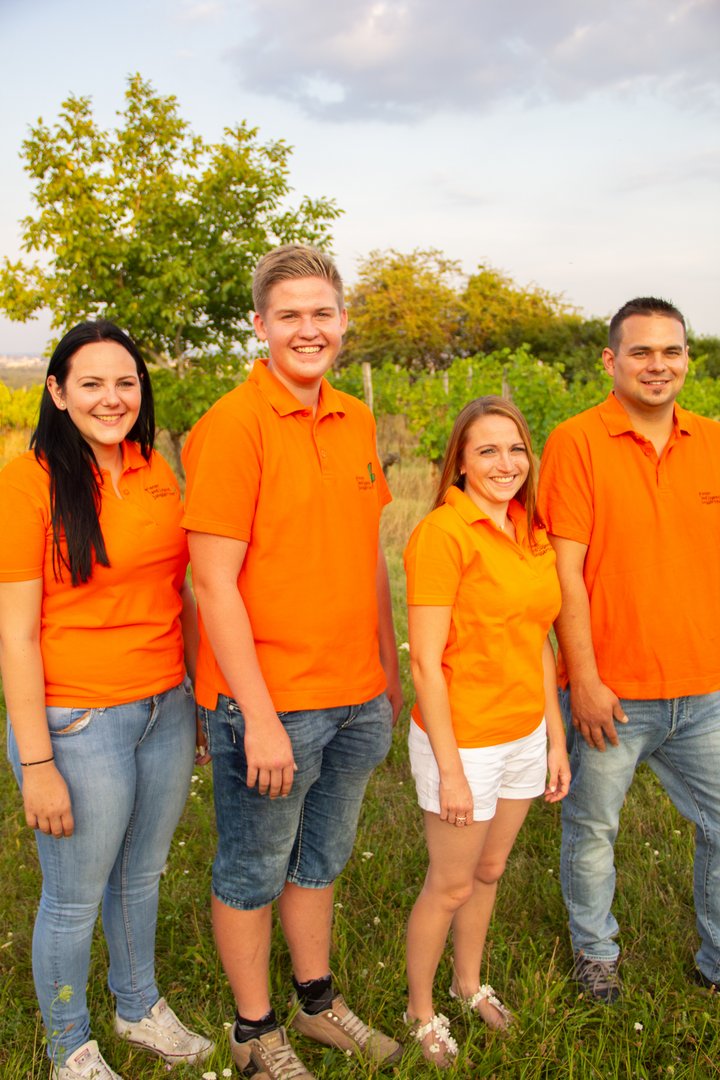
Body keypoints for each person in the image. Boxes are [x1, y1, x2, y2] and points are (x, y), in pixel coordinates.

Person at [182, 243, 403, 1079]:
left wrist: (387, 671)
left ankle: (316, 1004)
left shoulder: (355, 418)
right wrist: (261, 718)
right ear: (260, 326)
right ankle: (254, 1031)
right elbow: (212, 583)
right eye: (289, 316)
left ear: (343, 321)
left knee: (321, 861)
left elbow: (369, 553)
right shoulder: (233, 426)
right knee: (252, 870)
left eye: (321, 313)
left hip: (356, 695)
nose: (308, 330)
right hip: (271, 705)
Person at [0, 321, 214, 1080]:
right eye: (90, 383)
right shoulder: (26, 483)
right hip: (77, 722)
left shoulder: (155, 469)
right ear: (57, 392)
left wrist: (195, 694)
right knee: (73, 898)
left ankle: (138, 1007)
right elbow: (15, 635)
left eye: (126, 382)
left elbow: (180, 591)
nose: (111, 398)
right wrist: (38, 763)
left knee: (140, 876)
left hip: (164, 708)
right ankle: (69, 1047)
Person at [538, 297, 720, 1003]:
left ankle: (716, 961)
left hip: (704, 687)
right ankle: (596, 954)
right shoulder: (577, 442)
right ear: (611, 360)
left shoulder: (712, 440)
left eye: (671, 351)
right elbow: (565, 573)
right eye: (641, 351)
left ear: (687, 359)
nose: (658, 365)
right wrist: (583, 679)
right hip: (612, 689)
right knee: (592, 829)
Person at [403, 396, 570, 1068]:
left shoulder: (530, 530)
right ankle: (420, 1012)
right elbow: (424, 662)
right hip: (464, 739)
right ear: (461, 463)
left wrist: (555, 738)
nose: (506, 463)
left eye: (516, 448)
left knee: (491, 869)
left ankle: (467, 984)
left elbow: (538, 639)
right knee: (450, 884)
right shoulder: (443, 534)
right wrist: (450, 771)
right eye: (488, 451)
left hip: (524, 730)